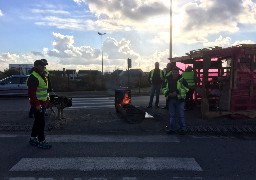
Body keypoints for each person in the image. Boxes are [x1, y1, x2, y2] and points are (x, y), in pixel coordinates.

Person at [27, 59, 52, 149]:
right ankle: (41, 141)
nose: (44, 67)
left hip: (43, 102)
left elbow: (44, 89)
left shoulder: (42, 74)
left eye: (45, 66)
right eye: (42, 65)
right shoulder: (33, 77)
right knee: (41, 123)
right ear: (36, 66)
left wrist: (47, 99)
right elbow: (31, 93)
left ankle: (33, 138)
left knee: (37, 122)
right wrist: (37, 105)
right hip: (37, 104)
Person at [162, 67, 189, 135]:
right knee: (172, 115)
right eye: (173, 72)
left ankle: (183, 129)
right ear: (172, 72)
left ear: (178, 72)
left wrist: (177, 92)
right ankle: (172, 129)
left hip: (180, 100)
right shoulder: (168, 80)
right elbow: (163, 88)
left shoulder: (182, 80)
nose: (174, 73)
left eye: (176, 72)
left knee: (181, 115)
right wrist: (168, 93)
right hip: (171, 100)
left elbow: (187, 89)